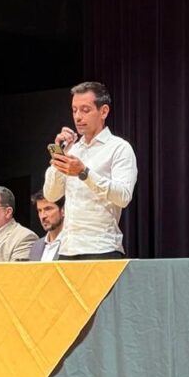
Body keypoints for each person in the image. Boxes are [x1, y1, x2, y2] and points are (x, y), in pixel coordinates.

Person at [43, 80, 137, 259]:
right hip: (67, 248)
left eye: (85, 110)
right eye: (74, 110)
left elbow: (123, 196)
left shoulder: (119, 148)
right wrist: (59, 157)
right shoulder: (73, 149)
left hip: (101, 248)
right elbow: (51, 195)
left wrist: (83, 172)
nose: (78, 117)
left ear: (103, 111)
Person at [28, 191, 65, 262]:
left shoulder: (73, 244)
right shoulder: (36, 246)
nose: (43, 216)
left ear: (63, 210)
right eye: (39, 210)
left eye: (48, 209)